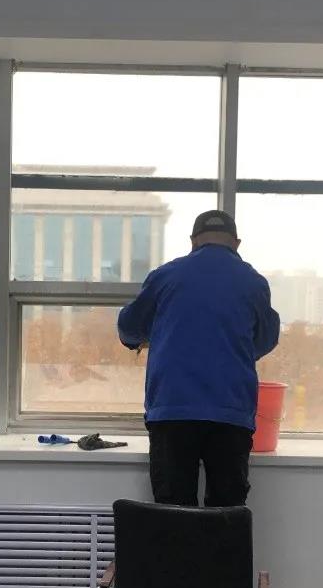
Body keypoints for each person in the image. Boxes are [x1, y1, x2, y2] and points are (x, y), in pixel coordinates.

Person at [117, 210, 280, 508]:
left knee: (174, 512)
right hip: (231, 412)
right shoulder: (254, 282)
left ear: (193, 241)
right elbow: (266, 339)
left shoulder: (166, 276)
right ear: (236, 243)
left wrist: (145, 339)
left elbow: (129, 327)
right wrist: (232, 351)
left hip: (172, 410)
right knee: (227, 512)